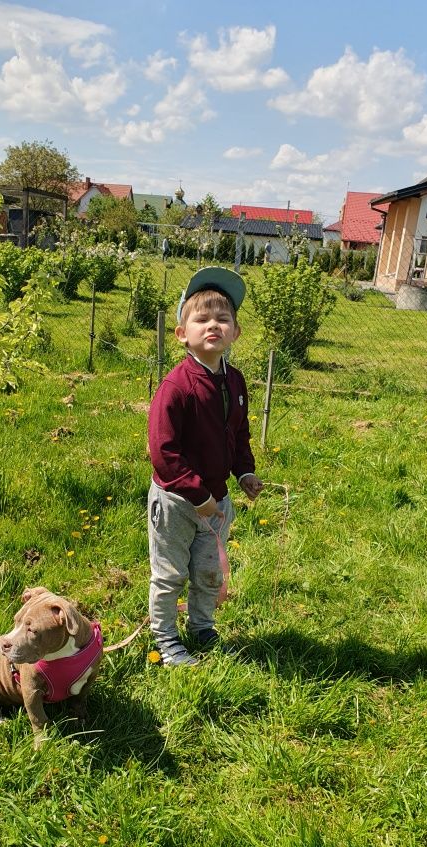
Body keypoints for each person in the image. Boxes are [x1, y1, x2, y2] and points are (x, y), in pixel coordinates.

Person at [147, 267, 265, 665]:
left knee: (208, 571)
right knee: (170, 574)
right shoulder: (176, 387)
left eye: (223, 318)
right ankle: (165, 640)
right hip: (178, 502)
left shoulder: (235, 381)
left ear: (236, 332)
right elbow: (164, 452)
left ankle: (201, 626)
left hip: (218, 502)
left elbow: (239, 432)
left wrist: (244, 471)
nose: (213, 324)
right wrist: (197, 495)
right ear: (183, 334)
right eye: (201, 319)